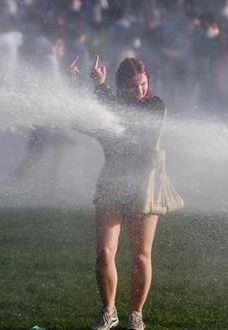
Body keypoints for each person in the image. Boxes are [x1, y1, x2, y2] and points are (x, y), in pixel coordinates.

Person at [70, 55, 165, 330]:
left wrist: (100, 90)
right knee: (104, 252)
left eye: (143, 84)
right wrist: (82, 84)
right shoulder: (110, 106)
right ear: (122, 86)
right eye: (133, 86)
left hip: (143, 185)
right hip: (111, 183)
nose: (140, 91)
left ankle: (136, 314)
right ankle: (109, 311)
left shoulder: (155, 105)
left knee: (141, 255)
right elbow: (82, 118)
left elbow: (131, 126)